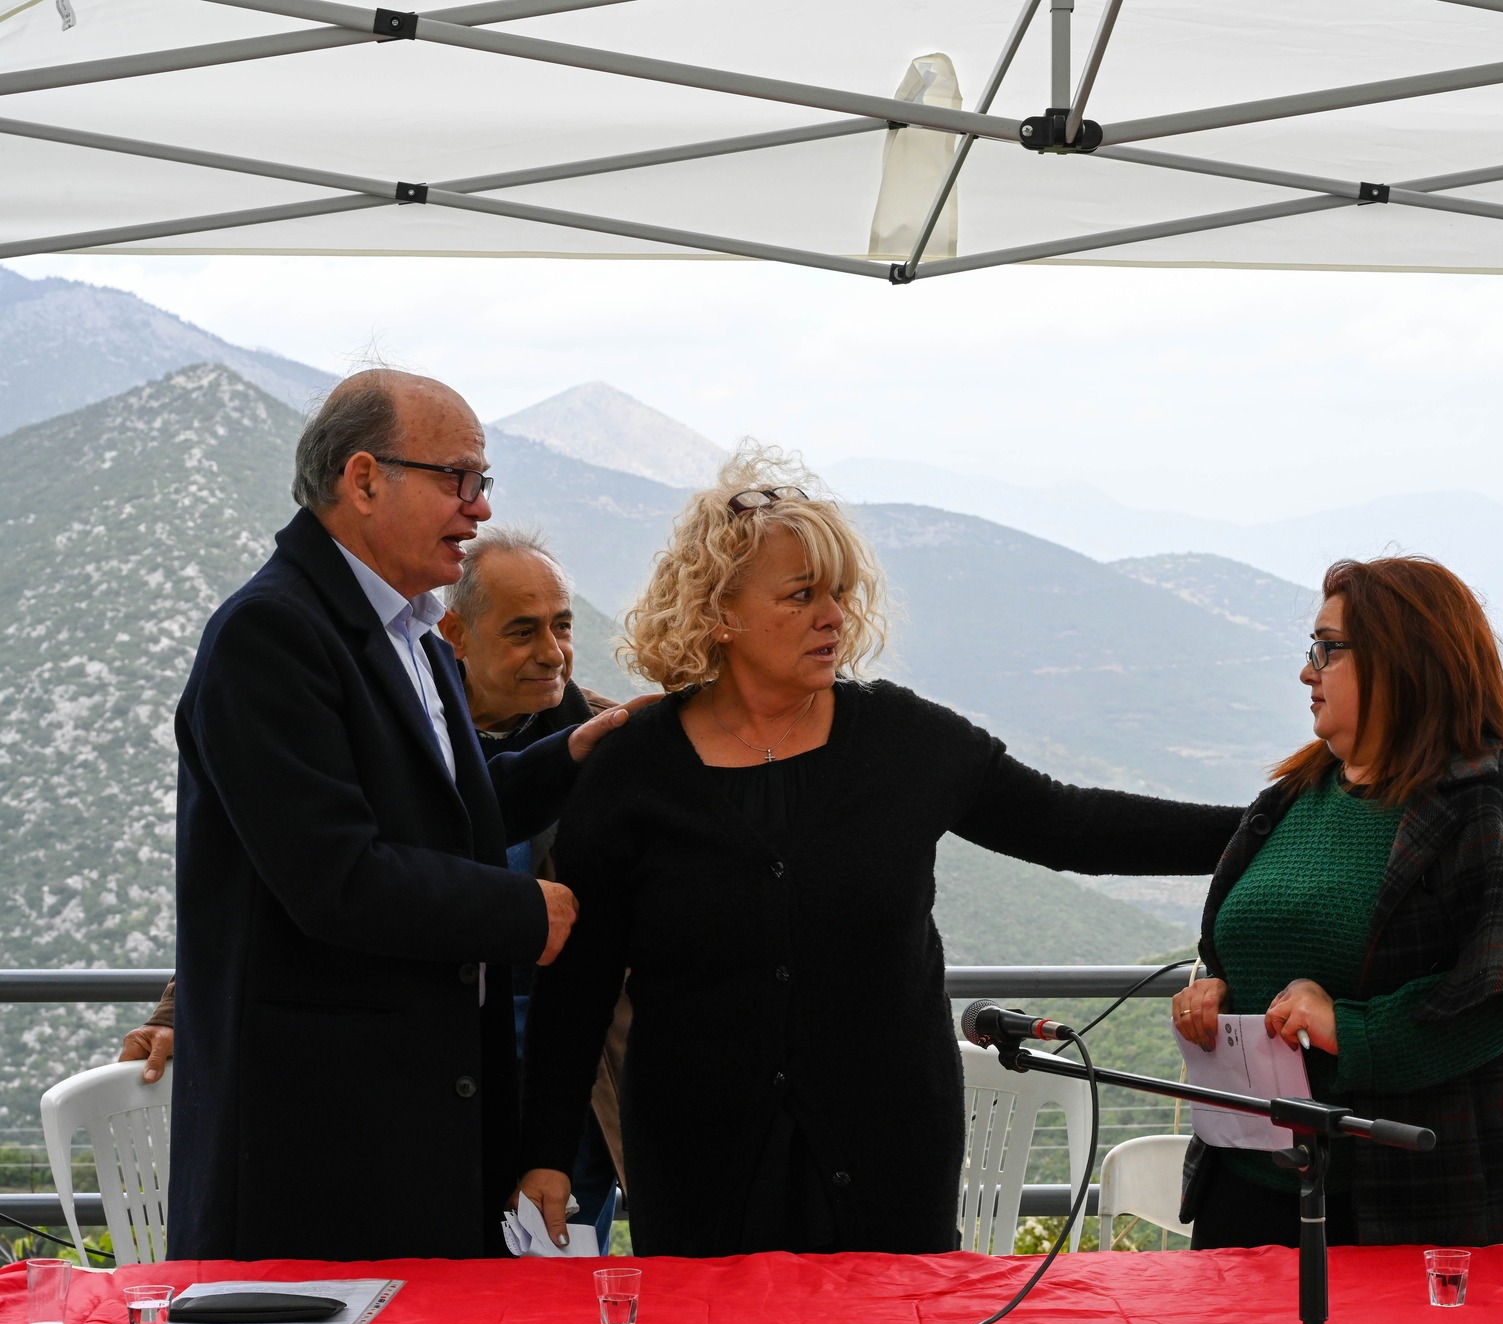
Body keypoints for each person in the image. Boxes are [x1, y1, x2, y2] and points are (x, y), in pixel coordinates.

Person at [515, 446, 1242, 1257]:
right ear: (718, 612)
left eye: (840, 592)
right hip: (694, 1167)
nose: (834, 615)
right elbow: (577, 982)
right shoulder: (633, 768)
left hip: (889, 1163)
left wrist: (1268, 825)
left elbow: (1074, 824)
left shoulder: (903, 741)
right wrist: (545, 1152)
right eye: (801, 595)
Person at [169, 369, 642, 1262]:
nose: (479, 507)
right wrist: (521, 911)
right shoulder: (270, 633)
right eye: (458, 478)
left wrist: (577, 752)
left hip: (420, 1134)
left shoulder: (410, 633)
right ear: (364, 479)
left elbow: (448, 814)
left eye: (482, 481)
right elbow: (334, 876)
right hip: (321, 1151)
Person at [1171, 556, 1503, 1249]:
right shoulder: (1292, 798)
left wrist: (1351, 1028)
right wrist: (1218, 991)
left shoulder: (1489, 797)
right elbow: (1246, 941)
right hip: (1248, 1191)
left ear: (1401, 661)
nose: (1307, 672)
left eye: (1328, 648)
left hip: (1414, 1206)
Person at [439, 524, 632, 1252]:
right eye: (523, 631)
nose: (552, 652)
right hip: (443, 1081)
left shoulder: (606, 742)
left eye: (563, 626)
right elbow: (323, 864)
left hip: (576, 1091)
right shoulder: (411, 740)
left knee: (565, 1289)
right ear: (456, 633)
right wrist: (181, 1011)